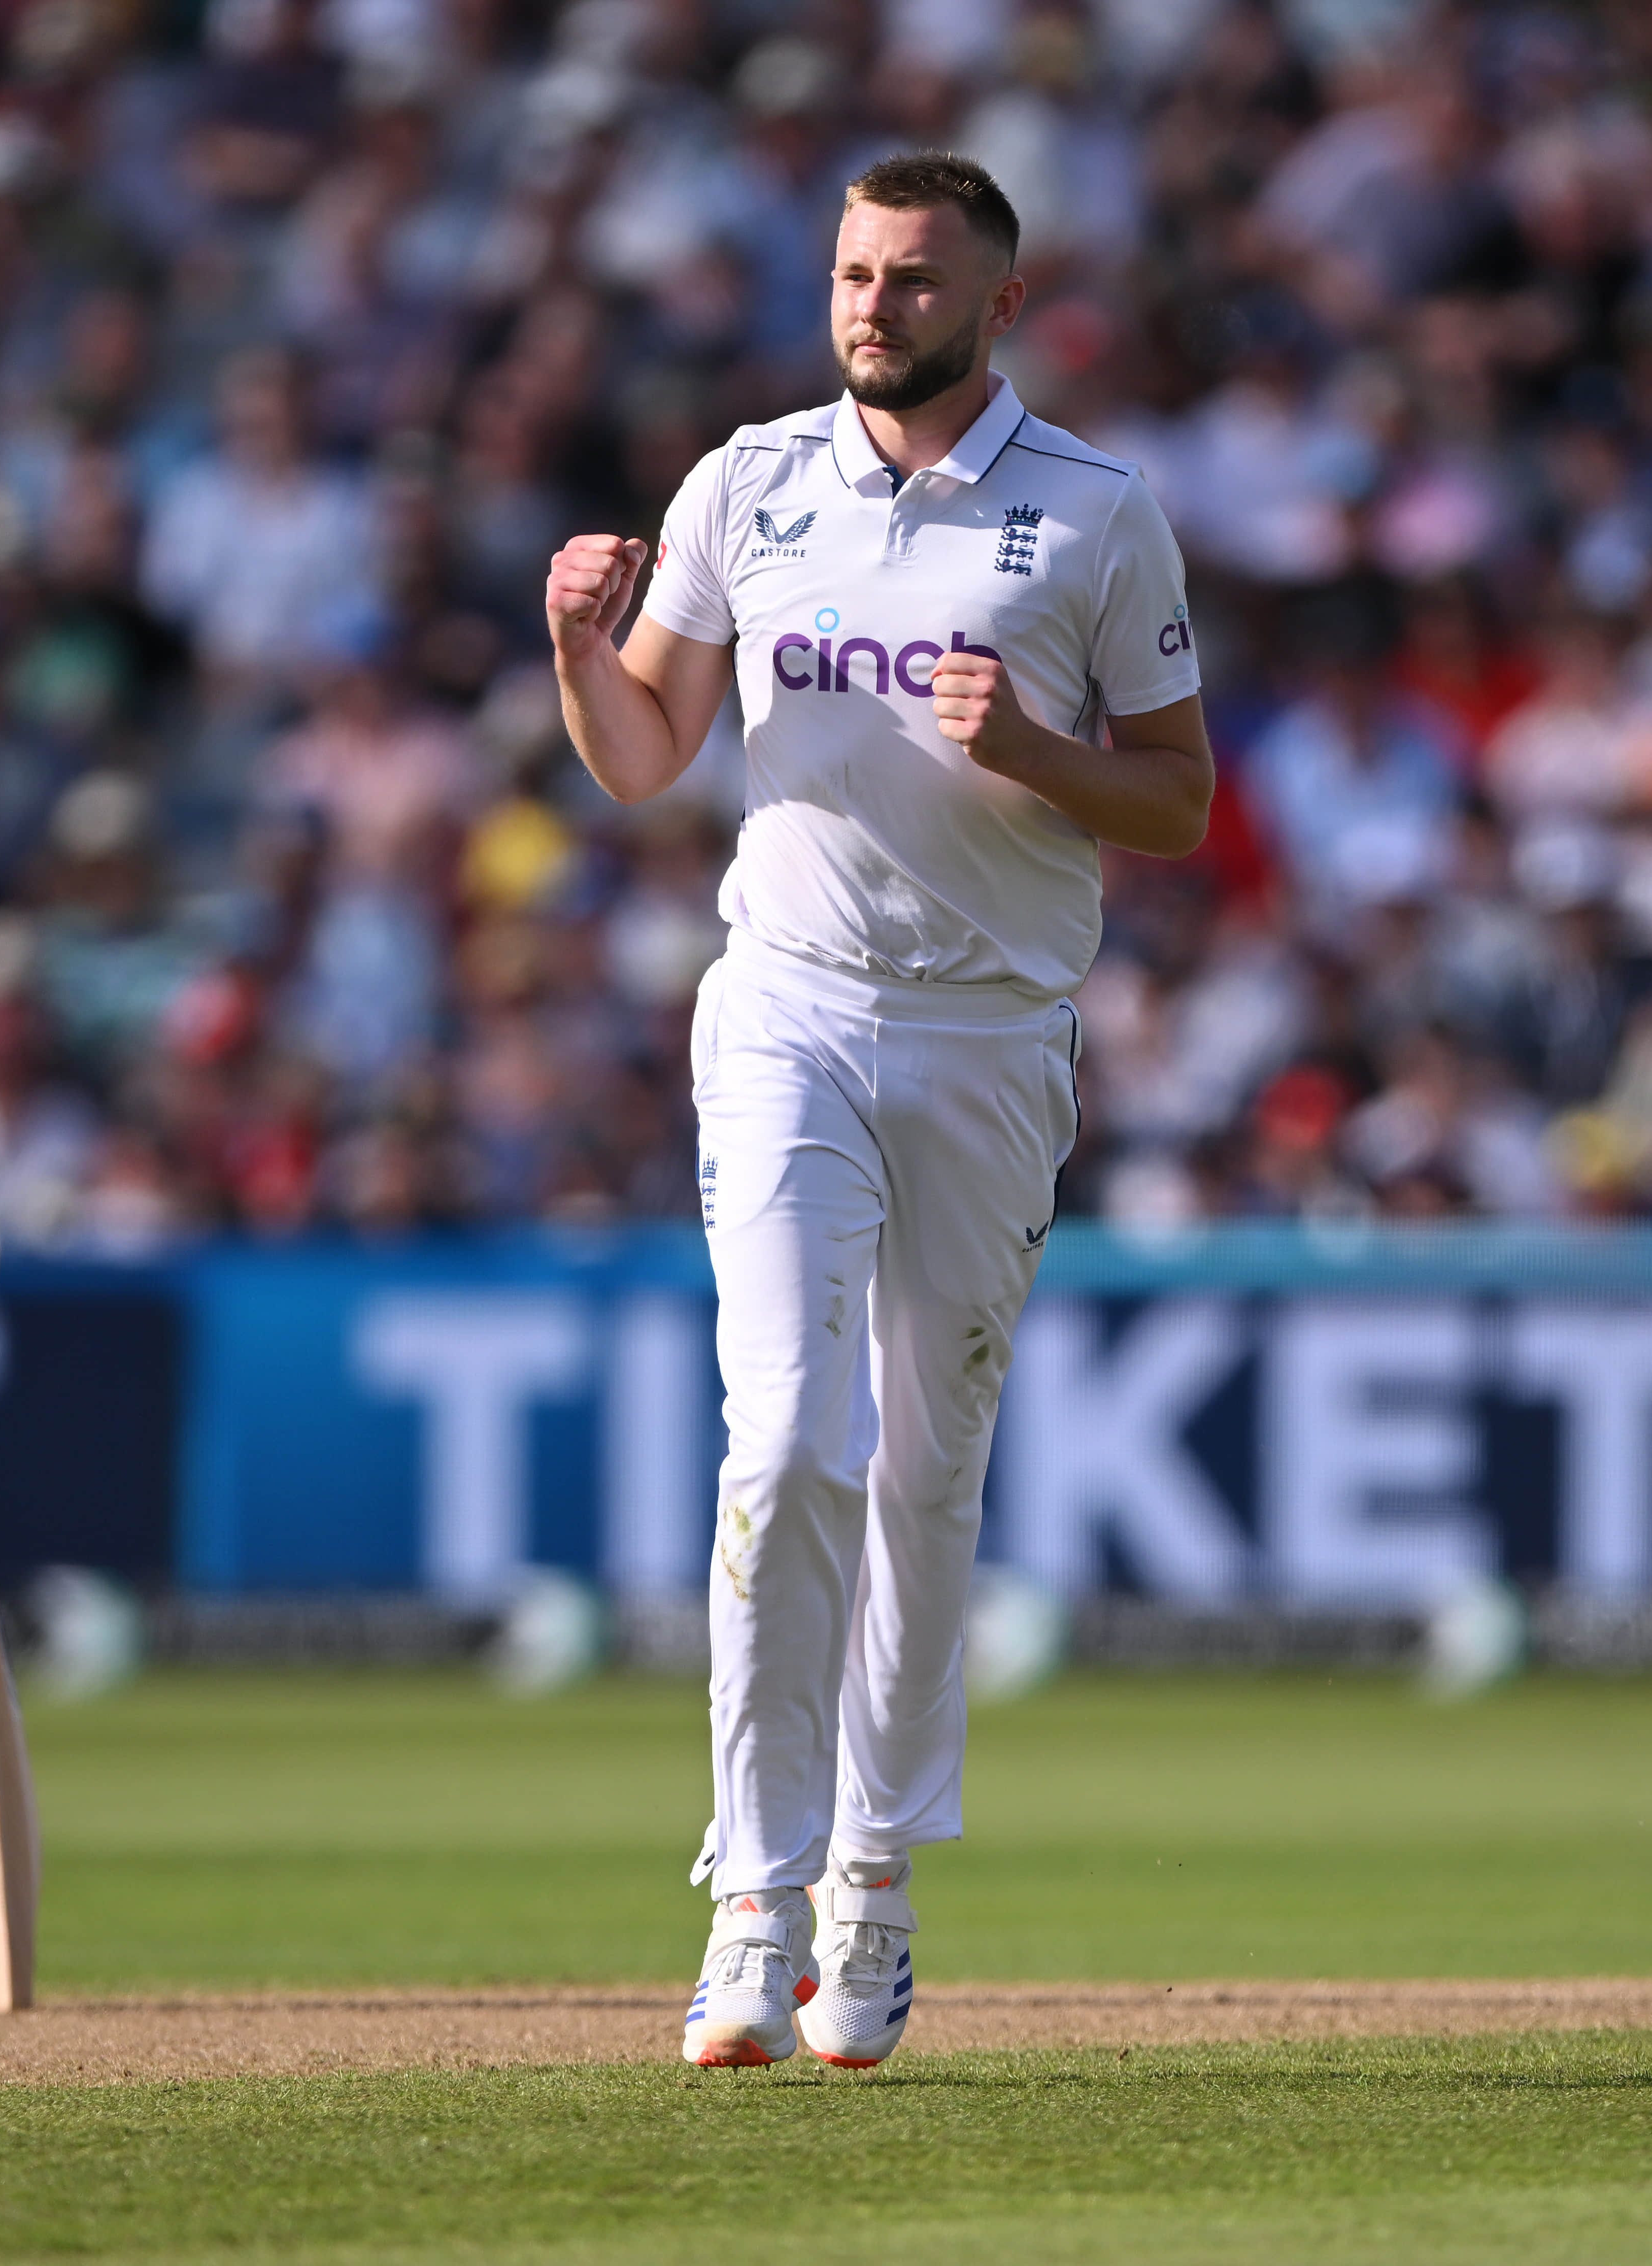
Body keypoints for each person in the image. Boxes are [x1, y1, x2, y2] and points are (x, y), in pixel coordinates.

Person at [544, 154, 1211, 2069]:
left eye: (915, 279)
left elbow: (1178, 800)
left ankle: (876, 1890)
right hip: (791, 1012)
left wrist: (1037, 753)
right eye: (853, 271)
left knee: (924, 1473)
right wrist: (582, 652)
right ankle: (751, 1904)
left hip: (996, 1032)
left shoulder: (1095, 513)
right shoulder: (745, 483)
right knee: (783, 1446)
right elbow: (650, 754)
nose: (873, 304)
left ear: (998, 304)